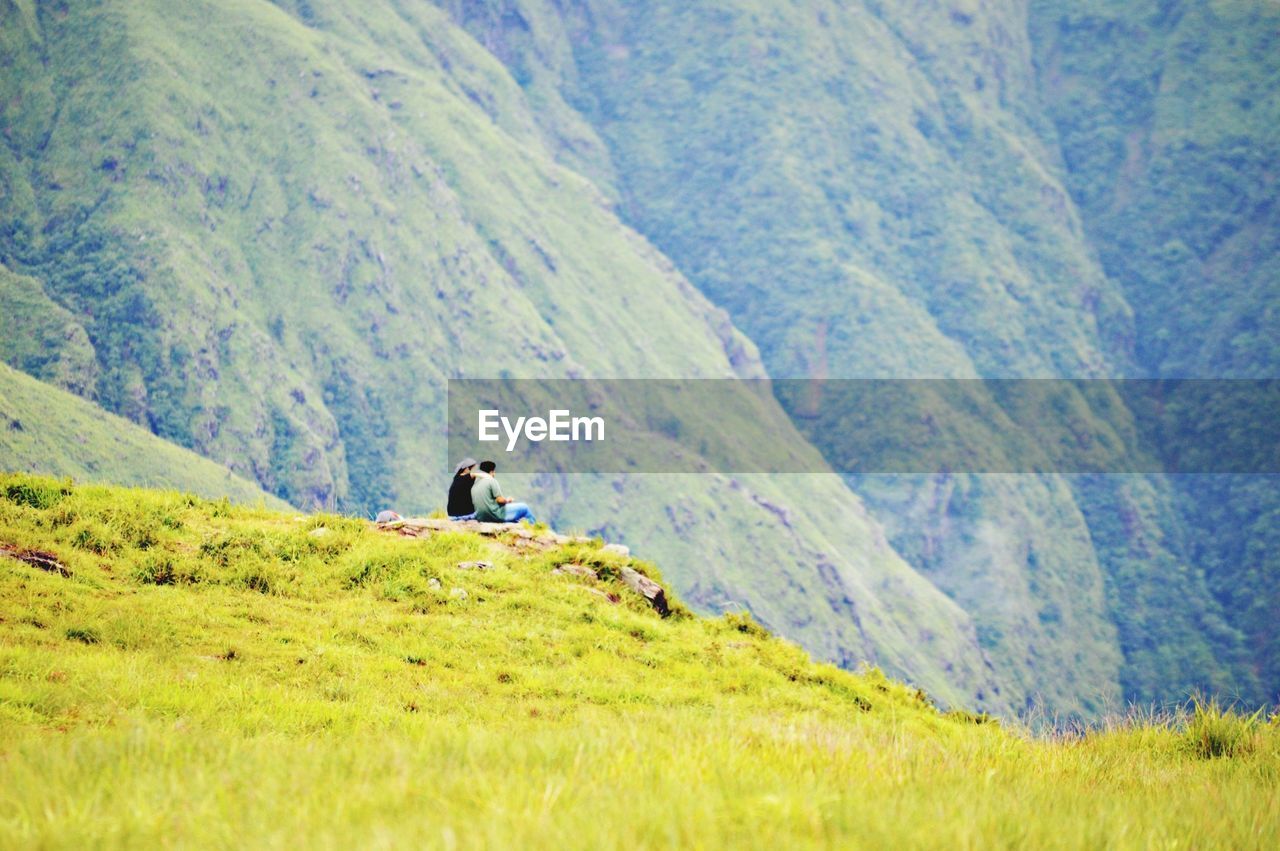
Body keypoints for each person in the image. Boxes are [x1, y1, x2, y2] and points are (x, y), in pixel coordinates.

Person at [470, 460, 536, 524]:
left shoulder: (475, 485)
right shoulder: (491, 480)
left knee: (515, 520)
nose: (494, 473)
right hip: (494, 515)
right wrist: (507, 500)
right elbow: (500, 500)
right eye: (494, 471)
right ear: (491, 472)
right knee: (524, 507)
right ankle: (534, 528)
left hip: (481, 517)